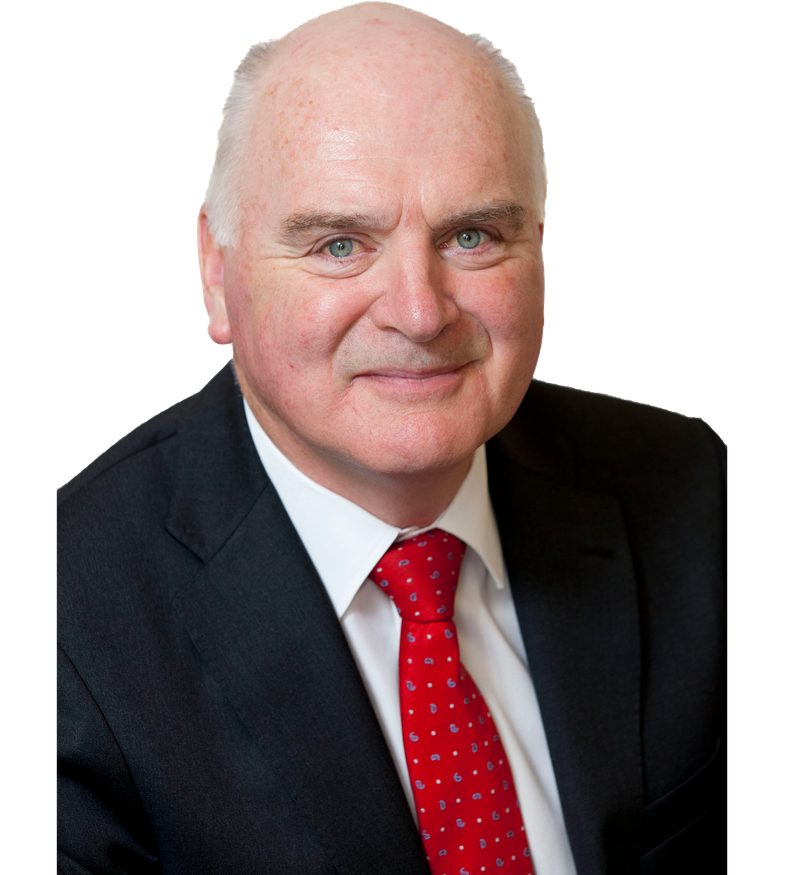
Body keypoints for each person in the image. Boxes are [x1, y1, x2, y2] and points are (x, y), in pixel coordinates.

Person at [56, 4, 730, 874]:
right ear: (215, 273)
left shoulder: (688, 487)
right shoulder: (75, 620)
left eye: (473, 236)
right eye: (341, 244)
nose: (419, 311)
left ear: (540, 252)